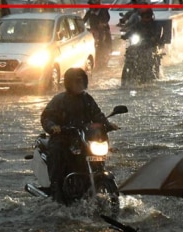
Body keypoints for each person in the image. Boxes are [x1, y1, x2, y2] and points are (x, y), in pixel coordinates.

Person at [40, 68, 112, 205]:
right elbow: (46, 117)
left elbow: (97, 114)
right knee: (57, 157)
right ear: (69, 83)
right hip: (63, 138)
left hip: (83, 138)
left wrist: (108, 124)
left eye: (82, 81)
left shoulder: (87, 99)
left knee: (97, 159)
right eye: (76, 82)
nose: (79, 85)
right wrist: (53, 127)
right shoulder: (59, 100)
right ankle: (57, 196)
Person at [83, 0, 112, 69]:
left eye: (92, 5)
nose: (91, 7)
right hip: (94, 32)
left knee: (105, 43)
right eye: (90, 6)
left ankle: (105, 57)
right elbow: (83, 21)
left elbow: (107, 18)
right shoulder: (89, 12)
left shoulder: (103, 10)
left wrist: (102, 24)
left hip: (104, 31)